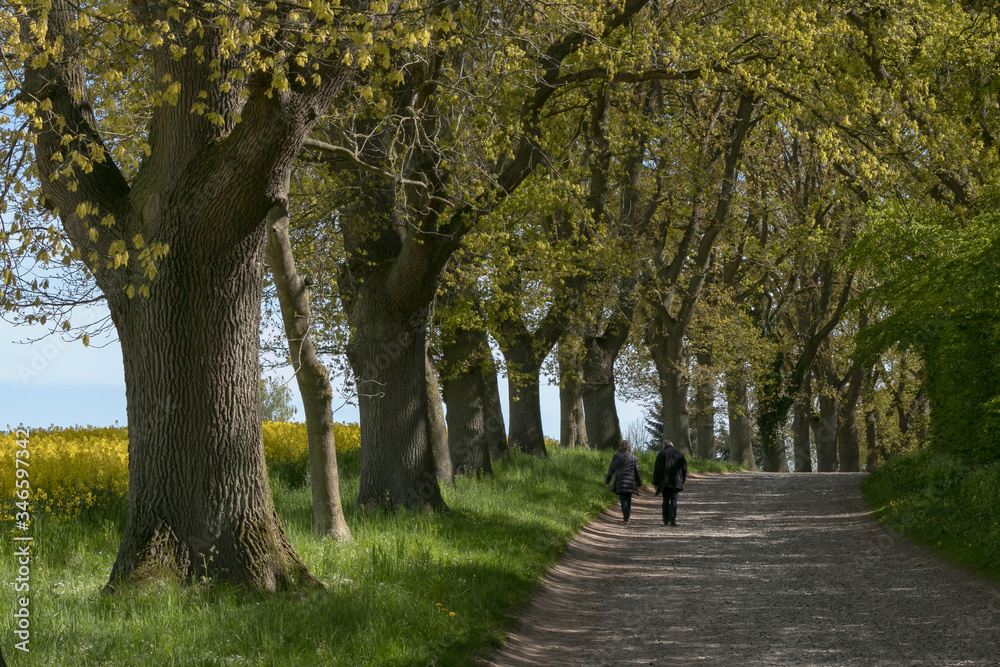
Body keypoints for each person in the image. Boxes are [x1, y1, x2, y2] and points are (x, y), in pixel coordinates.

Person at [605, 440, 642, 523]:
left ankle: (626, 517)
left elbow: (611, 470)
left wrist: (607, 481)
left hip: (620, 482)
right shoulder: (633, 457)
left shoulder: (616, 456)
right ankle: (627, 517)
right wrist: (640, 483)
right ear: (629, 447)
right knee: (628, 499)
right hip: (630, 482)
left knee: (623, 500)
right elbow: (637, 471)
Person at [653, 439, 687, 526]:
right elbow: (684, 468)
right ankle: (672, 520)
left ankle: (665, 519)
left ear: (664, 446)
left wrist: (656, 483)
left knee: (665, 500)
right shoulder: (679, 454)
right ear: (672, 445)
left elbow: (656, 470)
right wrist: (683, 479)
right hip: (676, 481)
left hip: (664, 482)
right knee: (674, 500)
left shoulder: (661, 455)